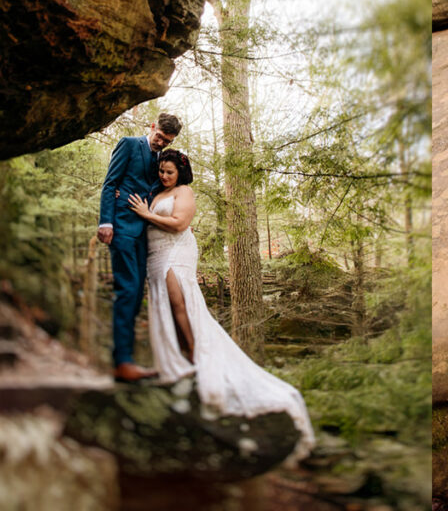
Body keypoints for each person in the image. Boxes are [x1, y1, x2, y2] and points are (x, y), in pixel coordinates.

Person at [127, 149, 316, 463]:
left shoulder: (185, 192)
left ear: (181, 173)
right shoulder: (157, 191)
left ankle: (194, 356)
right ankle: (177, 359)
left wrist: (145, 214)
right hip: (155, 256)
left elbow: (178, 223)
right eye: (161, 170)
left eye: (169, 171)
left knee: (180, 304)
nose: (163, 175)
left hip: (176, 252)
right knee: (164, 306)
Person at [98, 113, 182, 382]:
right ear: (152, 127)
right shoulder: (129, 144)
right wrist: (106, 222)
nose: (160, 142)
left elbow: (161, 187)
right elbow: (111, 183)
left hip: (145, 233)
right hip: (121, 228)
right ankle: (122, 362)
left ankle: (126, 360)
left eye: (166, 140)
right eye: (159, 136)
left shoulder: (163, 160)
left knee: (136, 295)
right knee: (128, 290)